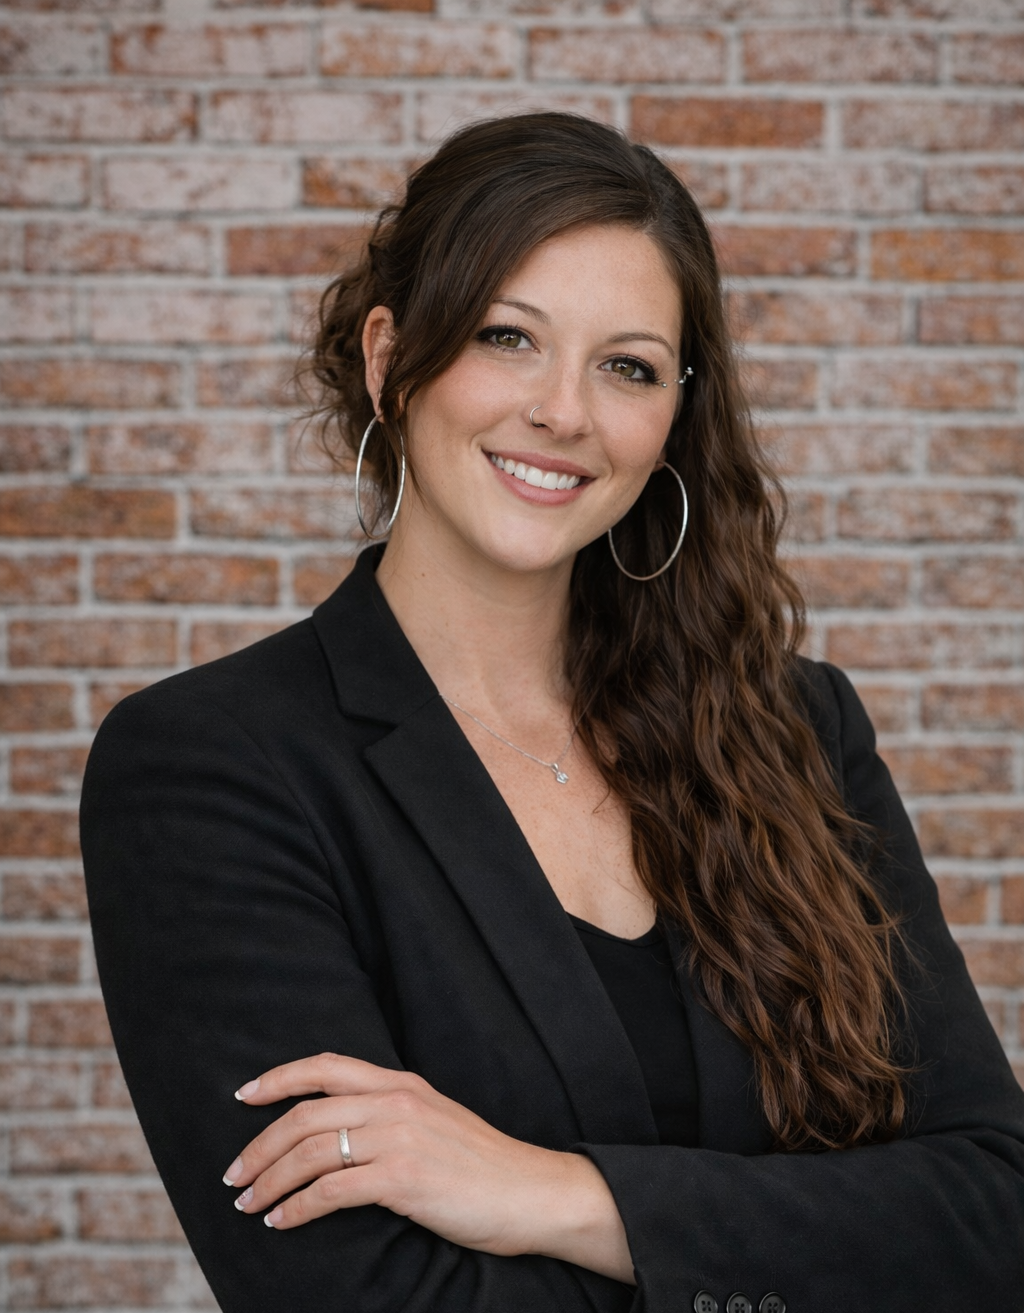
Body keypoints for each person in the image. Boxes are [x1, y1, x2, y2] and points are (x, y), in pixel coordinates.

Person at [80, 113, 1024, 1313]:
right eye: (506, 336)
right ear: (389, 356)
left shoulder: (795, 729)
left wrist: (560, 1196)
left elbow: (993, 1207)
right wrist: (820, 1242)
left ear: (673, 414)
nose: (563, 411)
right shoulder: (213, 768)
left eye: (626, 365)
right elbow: (362, 1294)